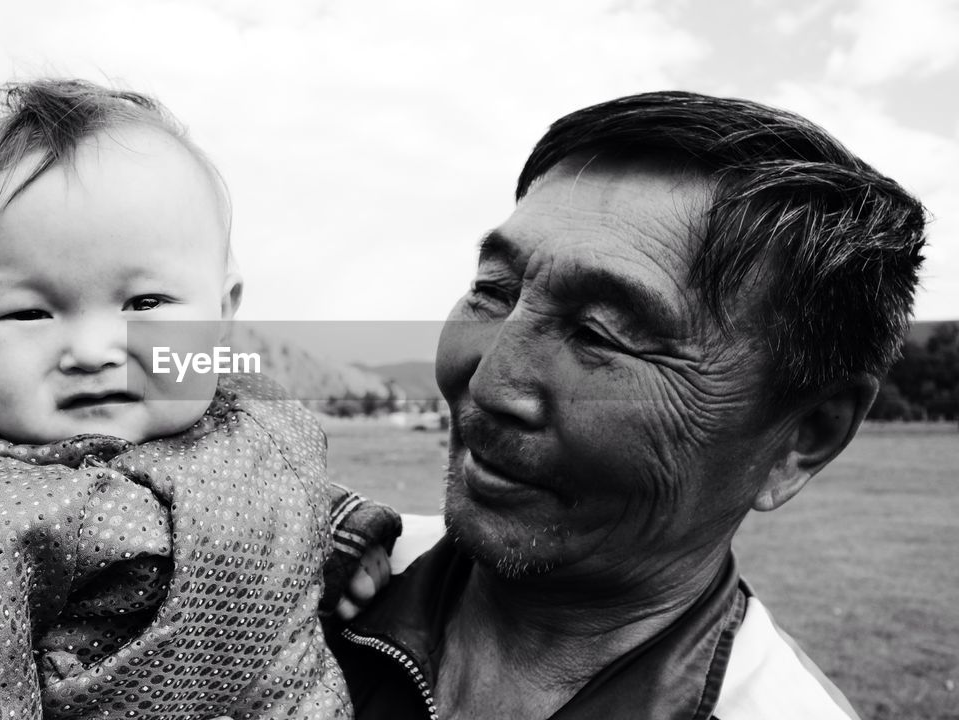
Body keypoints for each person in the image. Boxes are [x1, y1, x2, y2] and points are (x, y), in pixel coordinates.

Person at [0, 78, 398, 720]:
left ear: (221, 312)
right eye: (28, 313)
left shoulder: (255, 424)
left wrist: (346, 543)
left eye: (146, 303)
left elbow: (284, 499)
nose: (92, 349)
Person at [331, 91, 926, 719]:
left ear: (804, 436)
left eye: (601, 334)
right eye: (494, 291)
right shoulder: (309, 575)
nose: (489, 385)